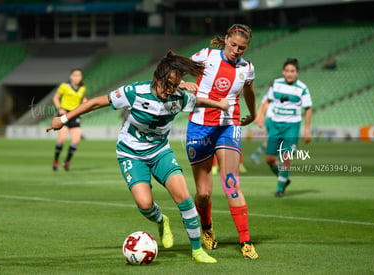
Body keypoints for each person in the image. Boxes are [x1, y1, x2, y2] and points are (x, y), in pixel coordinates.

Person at [47, 51, 229, 263]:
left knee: (185, 199)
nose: (169, 91)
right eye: (168, 85)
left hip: (160, 151)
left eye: (175, 85)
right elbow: (96, 102)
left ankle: (197, 251)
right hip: (130, 153)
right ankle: (162, 221)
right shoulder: (134, 92)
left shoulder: (179, 98)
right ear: (158, 78)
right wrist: (63, 118)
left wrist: (220, 104)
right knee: (144, 204)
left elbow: (198, 101)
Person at [182, 24, 258, 259]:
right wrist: (182, 84)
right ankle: (206, 228)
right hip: (199, 127)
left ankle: (245, 241)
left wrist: (253, 113)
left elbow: (248, 91)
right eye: (233, 45)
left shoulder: (247, 68)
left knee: (231, 184)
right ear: (226, 39)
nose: (236, 50)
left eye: (242, 48)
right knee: (203, 193)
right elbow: (174, 71)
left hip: (229, 126)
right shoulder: (205, 56)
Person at [257, 58, 312, 198]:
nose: (289, 73)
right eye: (287, 71)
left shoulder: (302, 88)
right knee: (269, 159)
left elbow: (308, 109)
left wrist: (307, 130)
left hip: (292, 126)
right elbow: (267, 101)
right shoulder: (276, 84)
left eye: (292, 71)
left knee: (287, 157)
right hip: (275, 125)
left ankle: (280, 188)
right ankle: (284, 178)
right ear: (283, 72)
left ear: (297, 73)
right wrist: (261, 115)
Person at [52, 68, 87, 171]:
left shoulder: (82, 88)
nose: (77, 77)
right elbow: (55, 97)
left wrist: (87, 104)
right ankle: (55, 161)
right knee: (61, 139)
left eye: (79, 75)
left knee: (76, 140)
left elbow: (82, 99)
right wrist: (60, 108)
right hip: (64, 114)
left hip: (75, 114)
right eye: (75, 75)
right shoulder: (64, 86)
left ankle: (66, 162)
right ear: (71, 76)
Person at [251, 93, 273, 165]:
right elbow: (263, 106)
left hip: (273, 120)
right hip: (273, 120)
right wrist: (260, 118)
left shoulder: (268, 95)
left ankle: (256, 155)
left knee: (270, 141)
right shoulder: (271, 95)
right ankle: (256, 155)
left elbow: (262, 106)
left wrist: (259, 118)